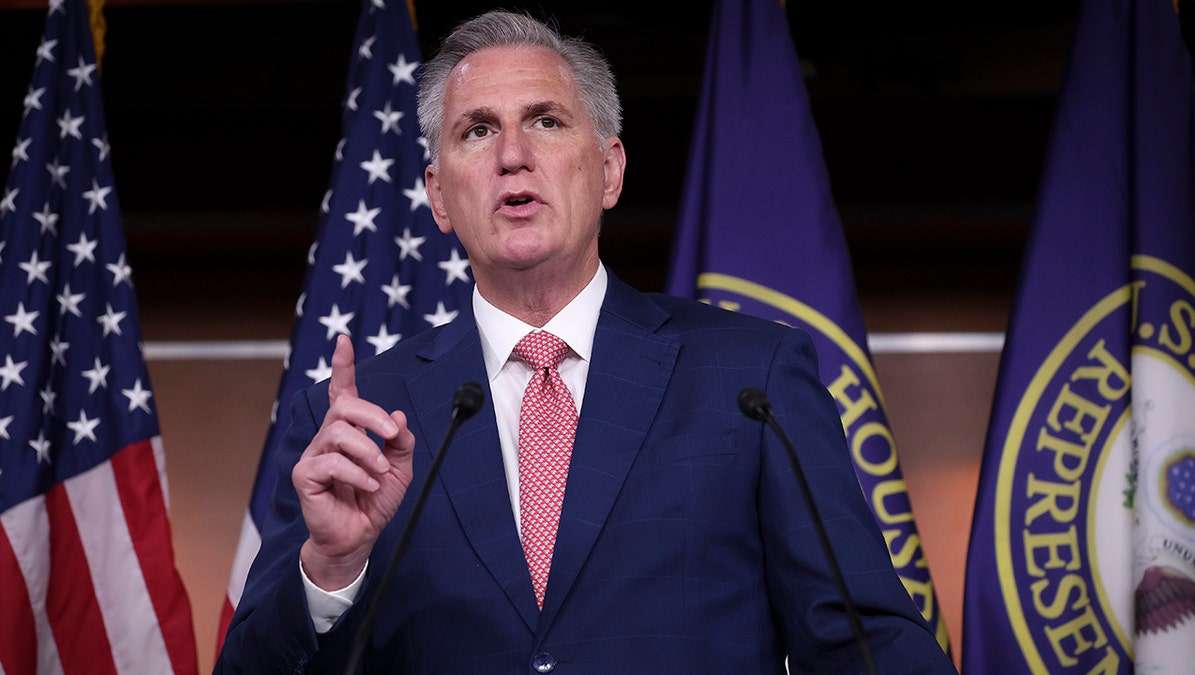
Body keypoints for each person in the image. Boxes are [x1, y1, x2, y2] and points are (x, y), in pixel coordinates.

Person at [215, 9, 956, 674]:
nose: (511, 154)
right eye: (477, 129)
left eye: (544, 121)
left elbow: (868, 644)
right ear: (439, 197)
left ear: (608, 170)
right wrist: (331, 567)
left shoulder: (749, 379)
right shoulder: (356, 419)